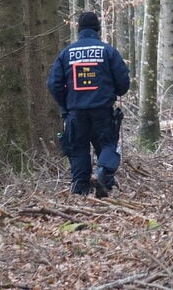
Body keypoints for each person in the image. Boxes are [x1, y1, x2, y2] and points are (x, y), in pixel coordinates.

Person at [47, 11, 129, 197]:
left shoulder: (66, 53)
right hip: (102, 110)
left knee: (78, 148)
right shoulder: (107, 51)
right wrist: (113, 93)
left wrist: (66, 104)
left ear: (79, 30)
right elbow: (123, 81)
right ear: (98, 30)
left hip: (76, 112)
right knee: (107, 144)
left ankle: (80, 186)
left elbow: (54, 84)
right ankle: (104, 175)